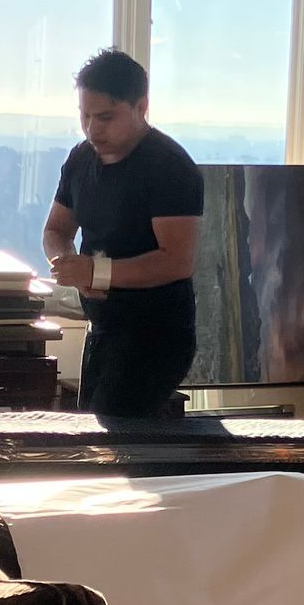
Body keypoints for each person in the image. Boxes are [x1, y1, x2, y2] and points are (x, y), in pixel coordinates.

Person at [43, 49, 204, 419]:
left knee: (111, 448)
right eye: (84, 115)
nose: (92, 128)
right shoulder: (80, 159)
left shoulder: (170, 168)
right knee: (91, 440)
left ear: (141, 106)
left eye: (105, 117)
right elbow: (55, 228)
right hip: (103, 326)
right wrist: (66, 264)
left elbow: (176, 261)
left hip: (156, 336)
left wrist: (95, 273)